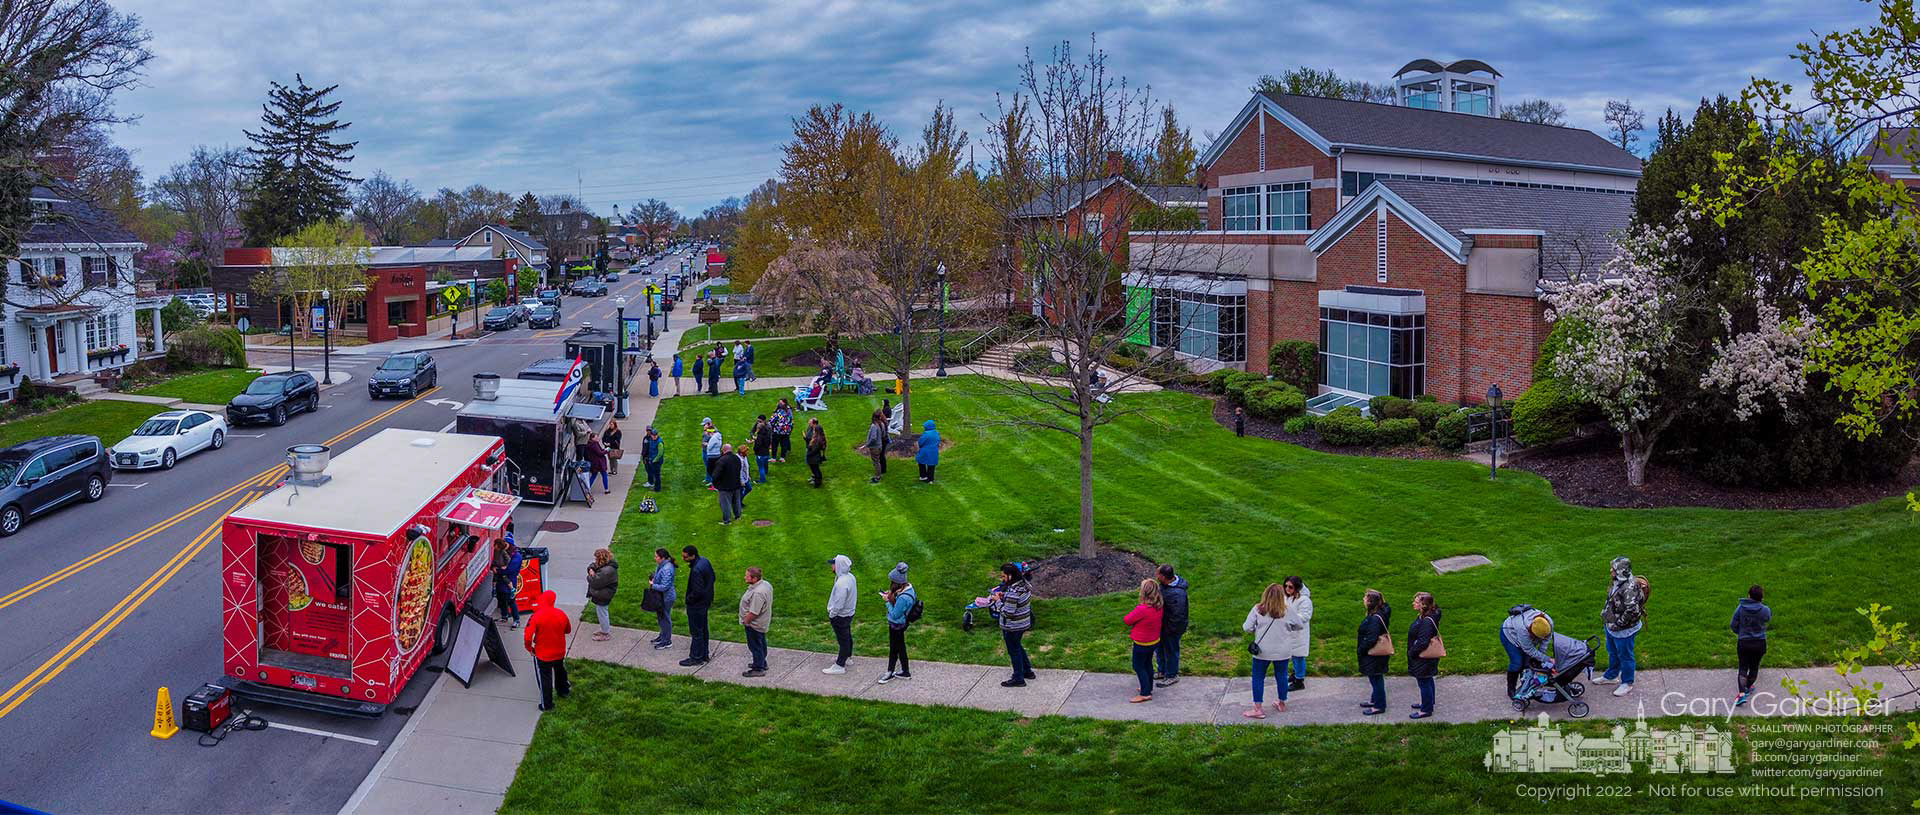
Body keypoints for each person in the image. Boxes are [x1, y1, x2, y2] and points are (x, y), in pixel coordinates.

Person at [1595, 556, 1647, 698]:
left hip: (1623, 630)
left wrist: (1618, 624)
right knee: (1612, 651)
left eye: (1614, 568)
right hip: (1611, 626)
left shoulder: (1630, 587)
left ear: (1621, 571)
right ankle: (1611, 676)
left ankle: (1627, 683)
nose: (1611, 570)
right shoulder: (1618, 581)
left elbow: (1633, 611)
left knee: (1626, 656)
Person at [1242, 582, 1292, 718]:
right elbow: (1299, 625)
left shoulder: (1258, 609)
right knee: (1282, 676)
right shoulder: (1287, 610)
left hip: (1262, 651)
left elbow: (1247, 627)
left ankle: (1258, 708)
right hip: (1283, 651)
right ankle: (1281, 703)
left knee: (1258, 677)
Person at [524, 590, 572, 710]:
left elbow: (527, 636)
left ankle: (547, 705)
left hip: (543, 655)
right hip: (559, 651)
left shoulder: (536, 616)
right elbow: (568, 630)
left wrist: (529, 648)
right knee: (560, 670)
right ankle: (563, 691)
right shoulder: (561, 614)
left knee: (545, 678)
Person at [989, 563, 1035, 687]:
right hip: (1022, 623)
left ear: (1010, 575)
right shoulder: (1023, 585)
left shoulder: (1014, 591)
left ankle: (1018, 677)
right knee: (1017, 646)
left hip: (1012, 626)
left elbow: (1007, 612)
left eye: (1003, 576)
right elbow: (1015, 601)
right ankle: (1027, 671)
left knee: (1013, 650)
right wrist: (1005, 596)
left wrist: (997, 601)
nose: (1002, 579)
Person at [1500, 605, 1555, 700]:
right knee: (1517, 663)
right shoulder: (1522, 628)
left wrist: (1541, 659)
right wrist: (1547, 659)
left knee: (1527, 663)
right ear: (1530, 630)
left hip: (1524, 637)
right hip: (1509, 635)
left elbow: (1544, 644)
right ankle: (1511, 689)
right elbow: (1529, 649)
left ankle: (1525, 684)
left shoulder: (1548, 623)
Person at [1123, 579, 1164, 703]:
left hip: (1142, 643)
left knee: (1138, 666)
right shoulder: (1159, 605)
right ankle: (1147, 687)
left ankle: (1145, 694)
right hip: (1154, 641)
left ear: (1144, 592)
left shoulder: (1142, 609)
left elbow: (1127, 620)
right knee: (1147, 664)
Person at [1732, 585, 1771, 706]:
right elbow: (1767, 619)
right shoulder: (1765, 610)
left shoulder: (1741, 608)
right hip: (1759, 643)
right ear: (1761, 598)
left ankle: (1742, 694)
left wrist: (1741, 633)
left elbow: (1733, 624)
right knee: (1754, 667)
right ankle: (1749, 686)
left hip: (1744, 642)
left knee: (1743, 668)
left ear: (1749, 595)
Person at [1406, 591, 1442, 719]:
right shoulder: (1427, 616)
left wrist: (1412, 653)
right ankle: (1428, 702)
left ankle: (1426, 710)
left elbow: (1423, 642)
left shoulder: (1426, 621)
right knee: (1427, 679)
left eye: (1416, 602)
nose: (1413, 604)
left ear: (1424, 605)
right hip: (1425, 657)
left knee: (1424, 681)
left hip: (1423, 657)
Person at [878, 562, 916, 683]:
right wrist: (892, 594)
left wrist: (887, 601)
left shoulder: (904, 597)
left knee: (896, 648)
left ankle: (891, 672)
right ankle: (904, 671)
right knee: (899, 647)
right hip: (900, 624)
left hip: (897, 625)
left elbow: (895, 614)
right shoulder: (907, 588)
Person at [679, 546, 715, 666]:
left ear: (692, 556)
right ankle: (704, 654)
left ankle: (696, 657)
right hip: (705, 602)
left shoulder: (696, 570)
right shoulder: (705, 561)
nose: (683, 559)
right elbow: (712, 577)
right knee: (703, 629)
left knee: (696, 632)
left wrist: (689, 600)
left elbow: (697, 591)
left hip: (696, 605)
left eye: (685, 557)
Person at [1357, 589, 1392, 715]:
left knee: (1376, 678)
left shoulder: (1375, 619)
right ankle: (1375, 700)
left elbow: (1371, 638)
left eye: (1365, 598)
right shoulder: (1379, 614)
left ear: (1371, 602)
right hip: (1376, 654)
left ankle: (1379, 705)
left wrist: (1362, 649)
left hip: (1374, 654)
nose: (1363, 600)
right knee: (1376, 678)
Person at [1154, 564, 1189, 687]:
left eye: (1158, 574)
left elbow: (1178, 616)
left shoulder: (1177, 594)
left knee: (1171, 651)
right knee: (1160, 649)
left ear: (1163, 577)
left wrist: (1170, 630)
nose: (1156, 576)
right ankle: (1162, 671)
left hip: (1171, 628)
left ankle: (1172, 675)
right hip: (1163, 626)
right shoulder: (1165, 586)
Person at [824, 554, 857, 674]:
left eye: (833, 564)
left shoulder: (842, 583)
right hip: (849, 613)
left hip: (840, 616)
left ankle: (840, 665)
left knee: (843, 640)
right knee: (847, 636)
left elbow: (839, 603)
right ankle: (847, 657)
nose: (832, 566)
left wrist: (832, 614)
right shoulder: (850, 577)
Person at [738, 567, 773, 677]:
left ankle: (758, 668)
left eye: (747, 576)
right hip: (762, 622)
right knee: (761, 642)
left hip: (754, 624)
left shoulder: (758, 593)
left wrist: (746, 621)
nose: (744, 577)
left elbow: (754, 612)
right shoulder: (765, 584)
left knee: (755, 646)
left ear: (754, 579)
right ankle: (762, 662)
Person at [1284, 576, 1313, 690]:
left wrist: (1289, 621)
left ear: (1297, 588)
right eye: (1286, 586)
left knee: (1299, 656)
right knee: (1293, 655)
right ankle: (1295, 674)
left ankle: (1299, 680)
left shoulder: (1304, 600)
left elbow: (1305, 616)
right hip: (1289, 632)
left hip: (1299, 633)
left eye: (1290, 587)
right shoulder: (1289, 597)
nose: (1287, 589)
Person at [647, 547, 678, 649]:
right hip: (662, 597)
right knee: (661, 617)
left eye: (656, 557)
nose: (654, 558)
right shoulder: (662, 565)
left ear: (663, 558)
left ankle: (667, 641)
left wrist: (652, 585)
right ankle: (662, 636)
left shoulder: (667, 569)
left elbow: (665, 587)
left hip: (666, 598)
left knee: (665, 618)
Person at [586, 548, 619, 641]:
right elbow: (593, 566)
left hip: (604, 594)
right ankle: (604, 629)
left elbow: (595, 582)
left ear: (601, 559)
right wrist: (591, 569)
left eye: (596, 559)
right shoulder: (606, 565)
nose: (595, 561)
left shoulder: (606, 571)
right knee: (601, 611)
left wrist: (590, 575)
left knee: (602, 613)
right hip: (603, 593)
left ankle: (605, 633)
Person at [491, 538, 522, 629]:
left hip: (509, 581)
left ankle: (516, 620)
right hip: (500, 582)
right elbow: (495, 561)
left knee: (511, 601)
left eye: (505, 542)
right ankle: (504, 616)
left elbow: (510, 570)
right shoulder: (501, 551)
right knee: (501, 600)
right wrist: (493, 567)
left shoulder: (516, 556)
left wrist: (498, 571)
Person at [713, 443, 744, 524]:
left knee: (725, 504)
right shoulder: (737, 458)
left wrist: (716, 484)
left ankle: (727, 521)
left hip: (725, 486)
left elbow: (716, 475)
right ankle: (738, 516)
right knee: (736, 502)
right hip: (736, 484)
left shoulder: (722, 460)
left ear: (723, 450)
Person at [864, 410, 887, 484]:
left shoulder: (874, 426)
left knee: (876, 462)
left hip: (875, 447)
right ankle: (878, 474)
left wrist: (868, 444)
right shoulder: (882, 424)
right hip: (880, 445)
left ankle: (877, 476)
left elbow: (873, 438)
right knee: (878, 461)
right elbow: (883, 435)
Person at [804, 418, 827, 487]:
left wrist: (809, 453)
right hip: (814, 456)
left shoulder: (818, 439)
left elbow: (815, 449)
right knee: (815, 469)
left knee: (816, 470)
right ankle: (817, 481)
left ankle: (817, 483)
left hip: (814, 457)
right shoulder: (817, 437)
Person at [751, 415, 774, 484]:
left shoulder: (760, 436)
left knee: (761, 468)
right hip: (766, 452)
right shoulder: (767, 434)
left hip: (760, 453)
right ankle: (765, 472)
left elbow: (758, 445)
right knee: (765, 463)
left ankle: (762, 480)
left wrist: (755, 449)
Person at [641, 425, 664, 492]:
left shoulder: (659, 442)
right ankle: (655, 486)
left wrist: (654, 460)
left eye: (655, 435)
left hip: (656, 461)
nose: (653, 436)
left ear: (657, 435)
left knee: (657, 475)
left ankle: (657, 489)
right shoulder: (650, 440)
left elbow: (660, 453)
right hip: (652, 460)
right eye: (652, 435)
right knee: (654, 474)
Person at [701, 419, 722, 487]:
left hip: (711, 453)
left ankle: (712, 481)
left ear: (709, 423)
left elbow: (711, 441)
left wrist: (706, 444)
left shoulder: (713, 431)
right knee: (707, 466)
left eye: (704, 425)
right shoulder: (707, 430)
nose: (704, 426)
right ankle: (708, 478)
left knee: (710, 467)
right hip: (705, 450)